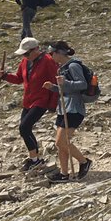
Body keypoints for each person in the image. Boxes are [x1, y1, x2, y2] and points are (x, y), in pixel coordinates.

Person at [1, 37, 59, 171]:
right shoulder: (25, 62)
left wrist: (53, 104)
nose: (25, 56)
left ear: (36, 50)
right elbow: (19, 79)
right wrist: (5, 76)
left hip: (41, 100)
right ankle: (35, 159)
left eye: (27, 53)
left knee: (24, 127)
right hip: (28, 101)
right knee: (25, 129)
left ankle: (35, 160)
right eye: (23, 54)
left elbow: (55, 83)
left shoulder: (48, 61)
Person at [42, 41, 93, 182]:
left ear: (59, 53)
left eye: (52, 53)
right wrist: (53, 87)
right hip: (64, 107)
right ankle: (64, 173)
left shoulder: (73, 66)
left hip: (74, 108)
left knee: (60, 142)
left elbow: (82, 84)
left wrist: (65, 83)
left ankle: (84, 162)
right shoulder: (63, 68)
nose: (51, 56)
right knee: (61, 143)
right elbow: (64, 89)